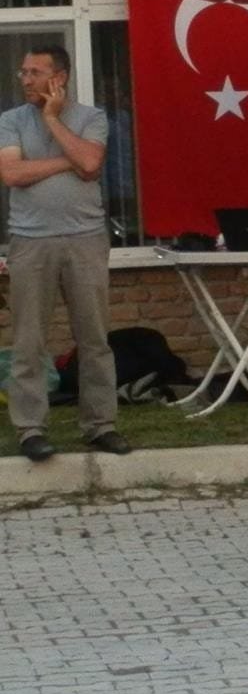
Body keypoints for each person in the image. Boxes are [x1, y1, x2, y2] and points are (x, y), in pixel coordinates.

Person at [0, 45, 131, 462]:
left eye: (35, 72)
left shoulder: (91, 118)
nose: (26, 79)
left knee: (94, 339)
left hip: (85, 239)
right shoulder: (10, 121)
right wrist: (64, 161)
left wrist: (53, 119)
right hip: (29, 241)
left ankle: (100, 425)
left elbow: (90, 164)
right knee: (28, 341)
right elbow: (11, 173)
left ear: (60, 78)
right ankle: (30, 430)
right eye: (23, 72)